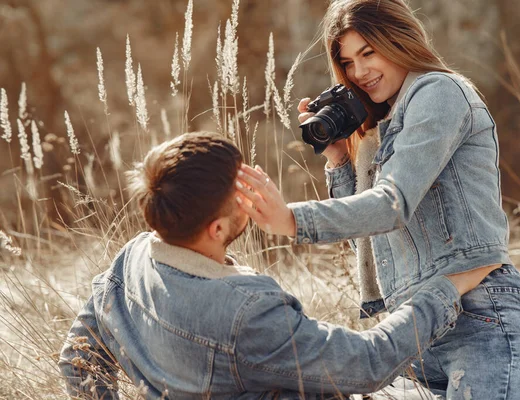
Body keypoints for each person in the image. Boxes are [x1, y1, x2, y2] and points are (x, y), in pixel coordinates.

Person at [234, 1, 520, 399]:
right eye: (348, 62)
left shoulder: (439, 92)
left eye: (369, 52)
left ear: (398, 39)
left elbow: (391, 205)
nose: (360, 72)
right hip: (414, 334)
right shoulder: (381, 129)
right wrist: (339, 159)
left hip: (481, 318)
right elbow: (369, 244)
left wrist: (290, 219)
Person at [58, 132, 489, 399]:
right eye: (241, 190)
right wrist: (447, 287)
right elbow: (366, 363)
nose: (255, 192)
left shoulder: (132, 259)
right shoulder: (244, 311)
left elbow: (77, 360)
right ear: (217, 228)